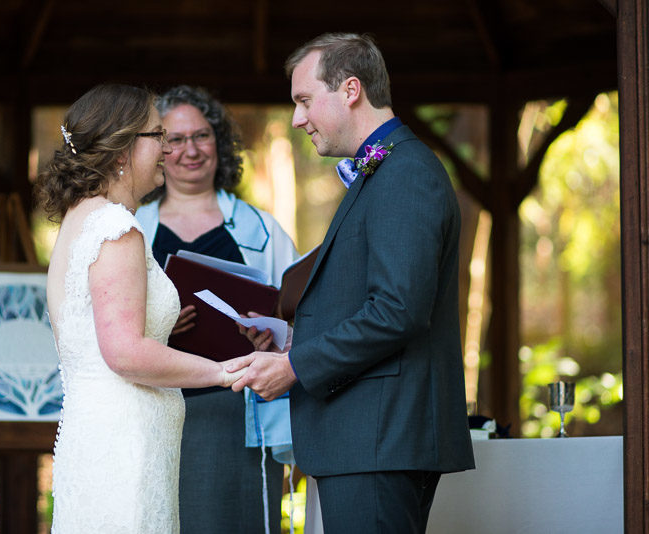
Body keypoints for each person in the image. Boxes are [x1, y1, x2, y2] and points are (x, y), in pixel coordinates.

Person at [231, 33, 476, 533]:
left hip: (379, 436)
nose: (297, 119)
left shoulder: (404, 172)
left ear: (350, 89)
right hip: (367, 437)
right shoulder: (381, 169)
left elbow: (398, 310)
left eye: (304, 100)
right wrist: (290, 340)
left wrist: (296, 367)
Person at [35, 83, 249, 533]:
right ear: (122, 150)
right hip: (126, 442)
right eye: (159, 136)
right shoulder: (115, 228)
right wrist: (224, 372)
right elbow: (125, 352)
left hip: (99, 432)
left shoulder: (81, 219)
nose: (169, 149)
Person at [135, 85, 299, 533]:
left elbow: (300, 317)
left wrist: (271, 333)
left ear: (219, 142)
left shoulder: (262, 230)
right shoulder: (133, 229)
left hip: (237, 413)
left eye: (201, 136)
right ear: (156, 149)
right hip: (154, 411)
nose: (191, 150)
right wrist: (158, 327)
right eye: (175, 139)